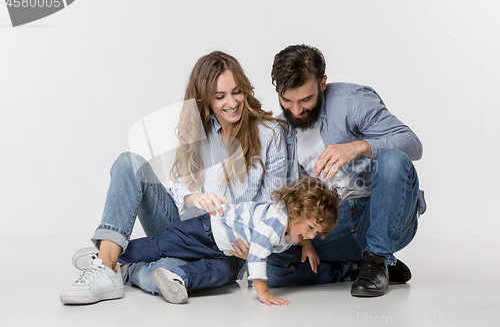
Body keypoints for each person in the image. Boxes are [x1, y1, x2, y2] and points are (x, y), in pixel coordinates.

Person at [60, 51, 288, 304]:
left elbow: (275, 203)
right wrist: (194, 198)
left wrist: (255, 246)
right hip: (184, 228)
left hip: (225, 247)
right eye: (220, 96)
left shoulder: (271, 134)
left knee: (162, 277)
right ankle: (105, 265)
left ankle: (117, 265)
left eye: (237, 92)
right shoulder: (199, 129)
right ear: (205, 99)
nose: (232, 103)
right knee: (130, 162)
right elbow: (178, 185)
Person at [266, 44, 426, 297]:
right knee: (270, 270)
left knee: (393, 160)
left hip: (378, 214)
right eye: (286, 100)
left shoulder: (352, 101)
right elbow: (291, 198)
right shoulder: (283, 128)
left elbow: (413, 144)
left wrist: (360, 146)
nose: (295, 111)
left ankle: (377, 257)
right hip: (328, 224)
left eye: (305, 100)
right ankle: (357, 268)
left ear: (322, 84)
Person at [116, 177, 340, 306]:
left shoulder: (293, 226)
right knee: (161, 246)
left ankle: (177, 278)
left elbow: (302, 233)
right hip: (205, 231)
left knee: (220, 273)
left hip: (223, 251)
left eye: (317, 233)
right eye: (311, 228)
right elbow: (256, 255)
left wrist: (307, 244)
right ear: (295, 211)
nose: (311, 235)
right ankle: (115, 253)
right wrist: (263, 292)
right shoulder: (275, 222)